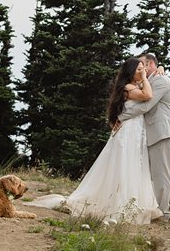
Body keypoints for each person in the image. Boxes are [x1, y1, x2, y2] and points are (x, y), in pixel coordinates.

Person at [48, 57, 164, 224]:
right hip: (128, 132)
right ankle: (120, 204)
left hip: (137, 132)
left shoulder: (134, 85)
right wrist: (145, 77)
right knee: (124, 165)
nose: (142, 71)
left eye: (143, 68)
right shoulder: (128, 88)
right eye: (138, 69)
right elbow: (148, 95)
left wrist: (160, 67)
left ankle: (135, 203)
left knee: (135, 165)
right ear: (130, 72)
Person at [118, 53, 170, 220]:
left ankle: (162, 213)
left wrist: (120, 117)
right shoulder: (150, 79)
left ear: (150, 64)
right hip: (150, 133)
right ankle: (153, 209)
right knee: (151, 174)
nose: (141, 68)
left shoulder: (160, 80)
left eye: (143, 65)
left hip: (162, 132)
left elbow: (146, 105)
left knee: (162, 173)